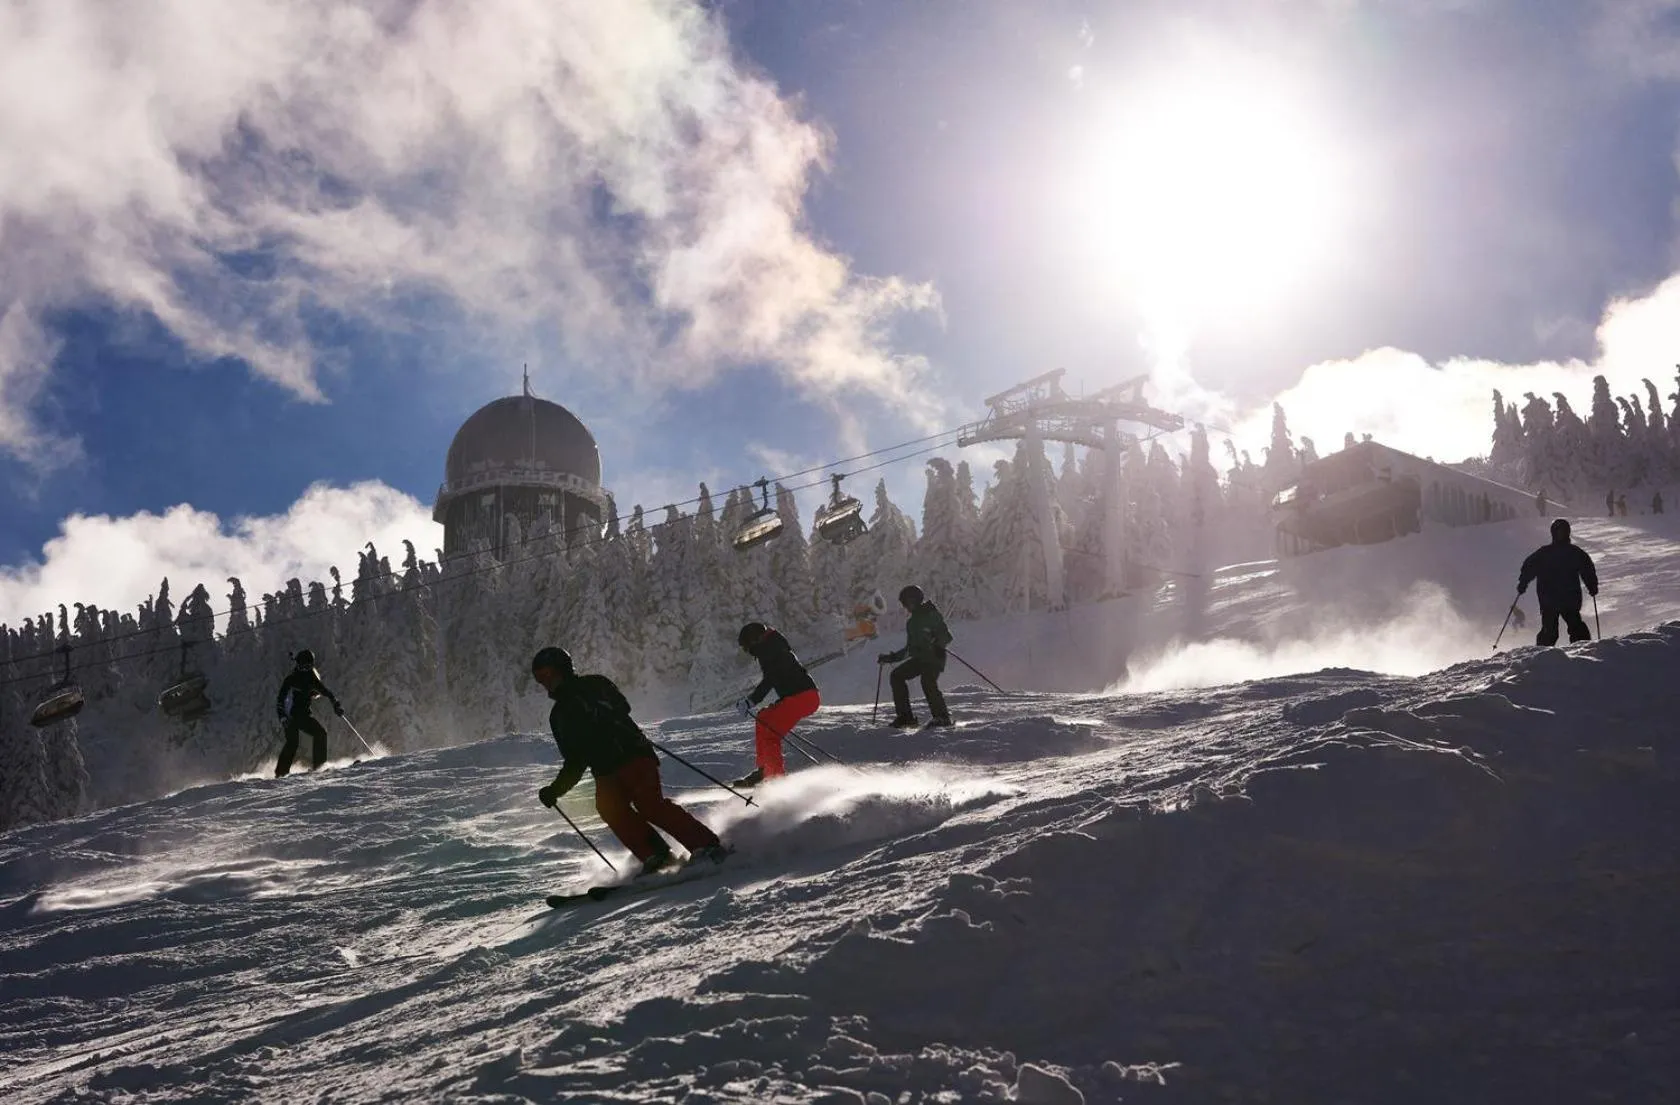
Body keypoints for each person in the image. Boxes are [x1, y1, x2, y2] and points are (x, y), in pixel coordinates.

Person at [530, 646, 725, 875]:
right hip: (605, 769)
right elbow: (574, 760)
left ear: (563, 669)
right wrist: (555, 790)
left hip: (632, 754)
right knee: (609, 808)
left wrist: (603, 712)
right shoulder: (558, 716)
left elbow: (622, 706)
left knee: (649, 805)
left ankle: (706, 845)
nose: (546, 682)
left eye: (548, 674)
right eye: (540, 679)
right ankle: (657, 856)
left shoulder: (594, 684)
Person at [733, 622, 821, 787]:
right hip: (799, 696)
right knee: (763, 718)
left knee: (770, 735)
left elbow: (770, 679)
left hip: (803, 697)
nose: (748, 651)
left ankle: (776, 779)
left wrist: (751, 700)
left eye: (747, 647)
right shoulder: (770, 647)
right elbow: (773, 678)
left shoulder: (773, 651)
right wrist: (751, 700)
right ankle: (765, 769)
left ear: (755, 640)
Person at [878, 584, 954, 729]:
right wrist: (891, 658)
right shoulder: (912, 623)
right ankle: (906, 717)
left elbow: (946, 636)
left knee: (927, 681)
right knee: (896, 676)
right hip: (920, 659)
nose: (906, 607)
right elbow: (910, 649)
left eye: (907, 602)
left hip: (934, 658)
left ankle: (942, 717)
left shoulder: (931, 614)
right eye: (904, 604)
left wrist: (937, 643)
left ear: (915, 600)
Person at [1517, 518, 1599, 647]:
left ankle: (1583, 650)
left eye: (1564, 531)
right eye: (1559, 531)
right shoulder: (1545, 553)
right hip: (1549, 598)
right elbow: (1529, 567)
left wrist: (1592, 585)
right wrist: (1523, 582)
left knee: (1576, 627)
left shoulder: (1574, 552)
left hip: (1569, 597)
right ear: (1553, 533)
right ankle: (1543, 653)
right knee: (1550, 631)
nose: (1561, 534)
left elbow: (1587, 569)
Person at [274, 649, 343, 776]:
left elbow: (327, 693)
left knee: (320, 734)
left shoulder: (311, 678)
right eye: (303, 666)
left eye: (308, 666)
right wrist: (283, 717)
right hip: (290, 716)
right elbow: (280, 700)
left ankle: (319, 767)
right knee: (293, 741)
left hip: (304, 715)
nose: (305, 669)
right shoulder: (291, 679)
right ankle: (281, 772)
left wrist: (336, 704)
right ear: (298, 665)